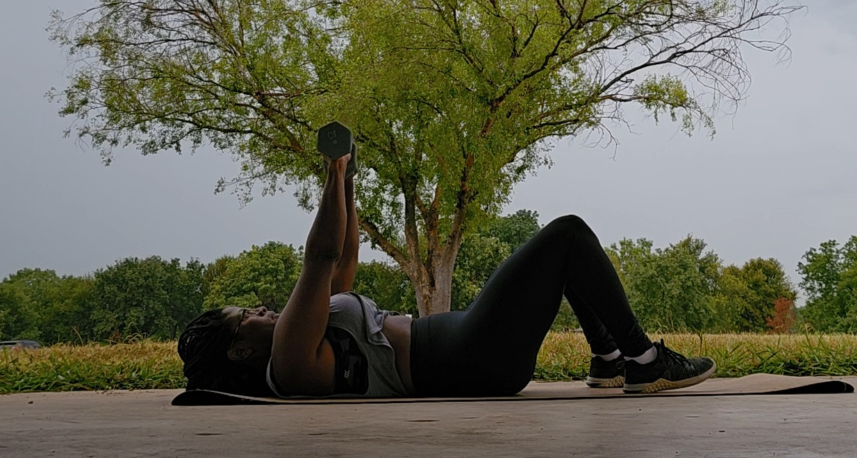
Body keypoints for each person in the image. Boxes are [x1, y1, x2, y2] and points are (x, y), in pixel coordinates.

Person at [178, 141, 716, 399]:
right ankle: (644, 360)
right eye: (245, 315)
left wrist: (347, 183)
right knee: (567, 235)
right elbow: (317, 260)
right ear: (239, 349)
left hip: (465, 345)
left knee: (555, 259)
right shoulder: (290, 361)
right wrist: (330, 171)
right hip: (468, 358)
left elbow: (340, 263)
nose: (261, 309)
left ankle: (608, 360)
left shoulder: (304, 339)